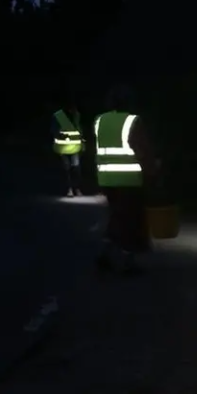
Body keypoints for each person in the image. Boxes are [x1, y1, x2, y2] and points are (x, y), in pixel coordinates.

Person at [93, 85, 158, 275]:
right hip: (129, 179)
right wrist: (152, 171)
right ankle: (127, 262)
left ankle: (106, 255)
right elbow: (142, 149)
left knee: (116, 216)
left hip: (106, 178)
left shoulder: (100, 120)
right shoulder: (132, 121)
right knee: (131, 220)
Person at [52, 103, 84, 197]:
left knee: (76, 169)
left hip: (75, 146)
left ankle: (76, 188)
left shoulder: (77, 115)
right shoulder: (58, 116)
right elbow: (54, 131)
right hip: (63, 147)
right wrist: (60, 135)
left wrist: (83, 142)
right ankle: (69, 189)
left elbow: (80, 130)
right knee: (67, 169)